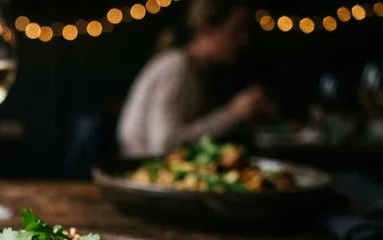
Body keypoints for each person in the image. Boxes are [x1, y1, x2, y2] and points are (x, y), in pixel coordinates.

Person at [118, 0, 277, 157]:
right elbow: (165, 144)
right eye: (236, 30)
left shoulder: (198, 71)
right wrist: (233, 114)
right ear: (206, 30)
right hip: (143, 174)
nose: (244, 40)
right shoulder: (176, 67)